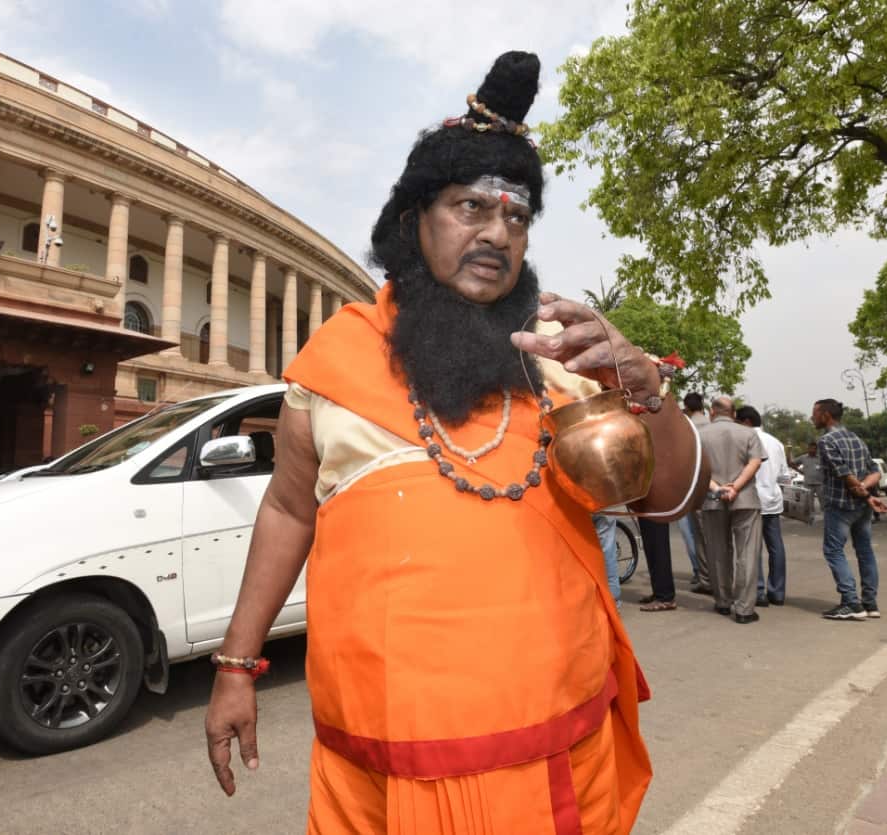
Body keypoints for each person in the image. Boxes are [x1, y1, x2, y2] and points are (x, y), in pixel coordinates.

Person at [203, 52, 707, 834]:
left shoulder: (564, 356)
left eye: (515, 216)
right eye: (471, 207)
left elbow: (671, 499)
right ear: (414, 222)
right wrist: (236, 667)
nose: (497, 233)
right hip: (381, 752)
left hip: (551, 751)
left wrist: (644, 386)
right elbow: (287, 511)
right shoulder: (332, 365)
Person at [812, 399, 887, 620]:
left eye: (815, 413)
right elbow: (874, 471)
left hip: (840, 505)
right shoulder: (856, 438)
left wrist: (863, 492)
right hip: (862, 507)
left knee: (833, 551)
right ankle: (870, 603)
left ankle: (851, 604)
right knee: (865, 551)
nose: (812, 418)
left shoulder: (826, 441)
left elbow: (844, 475)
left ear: (826, 415)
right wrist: (867, 493)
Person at [698, 397, 765, 623]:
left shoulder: (700, 435)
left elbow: (697, 469)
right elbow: (755, 462)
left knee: (717, 551)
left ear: (712, 412)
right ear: (733, 413)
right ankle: (745, 609)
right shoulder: (748, 433)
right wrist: (735, 487)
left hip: (713, 500)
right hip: (745, 498)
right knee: (746, 553)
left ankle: (723, 602)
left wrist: (718, 489)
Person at [736, 406, 789, 606]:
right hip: (773, 500)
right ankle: (777, 591)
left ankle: (757, 590)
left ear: (746, 422)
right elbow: (785, 476)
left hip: (751, 499)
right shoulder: (776, 442)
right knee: (776, 547)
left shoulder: (745, 440)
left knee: (752, 547)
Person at [678, 392, 712, 594]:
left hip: (697, 489)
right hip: (719, 488)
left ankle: (705, 577)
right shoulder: (712, 425)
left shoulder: (688, 429)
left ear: (687, 408)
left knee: (696, 536)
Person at [637, 519, 677, 612]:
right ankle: (660, 593)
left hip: (655, 510)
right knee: (652, 547)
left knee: (657, 547)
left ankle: (664, 597)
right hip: (650, 509)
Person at [793, 441, 825, 517]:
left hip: (820, 483)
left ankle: (826, 516)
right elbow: (792, 463)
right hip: (808, 483)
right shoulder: (803, 457)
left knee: (823, 501)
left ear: (816, 449)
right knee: (809, 503)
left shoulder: (821, 458)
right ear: (808, 449)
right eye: (810, 448)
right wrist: (799, 471)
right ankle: (811, 517)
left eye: (814, 449)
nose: (812, 450)